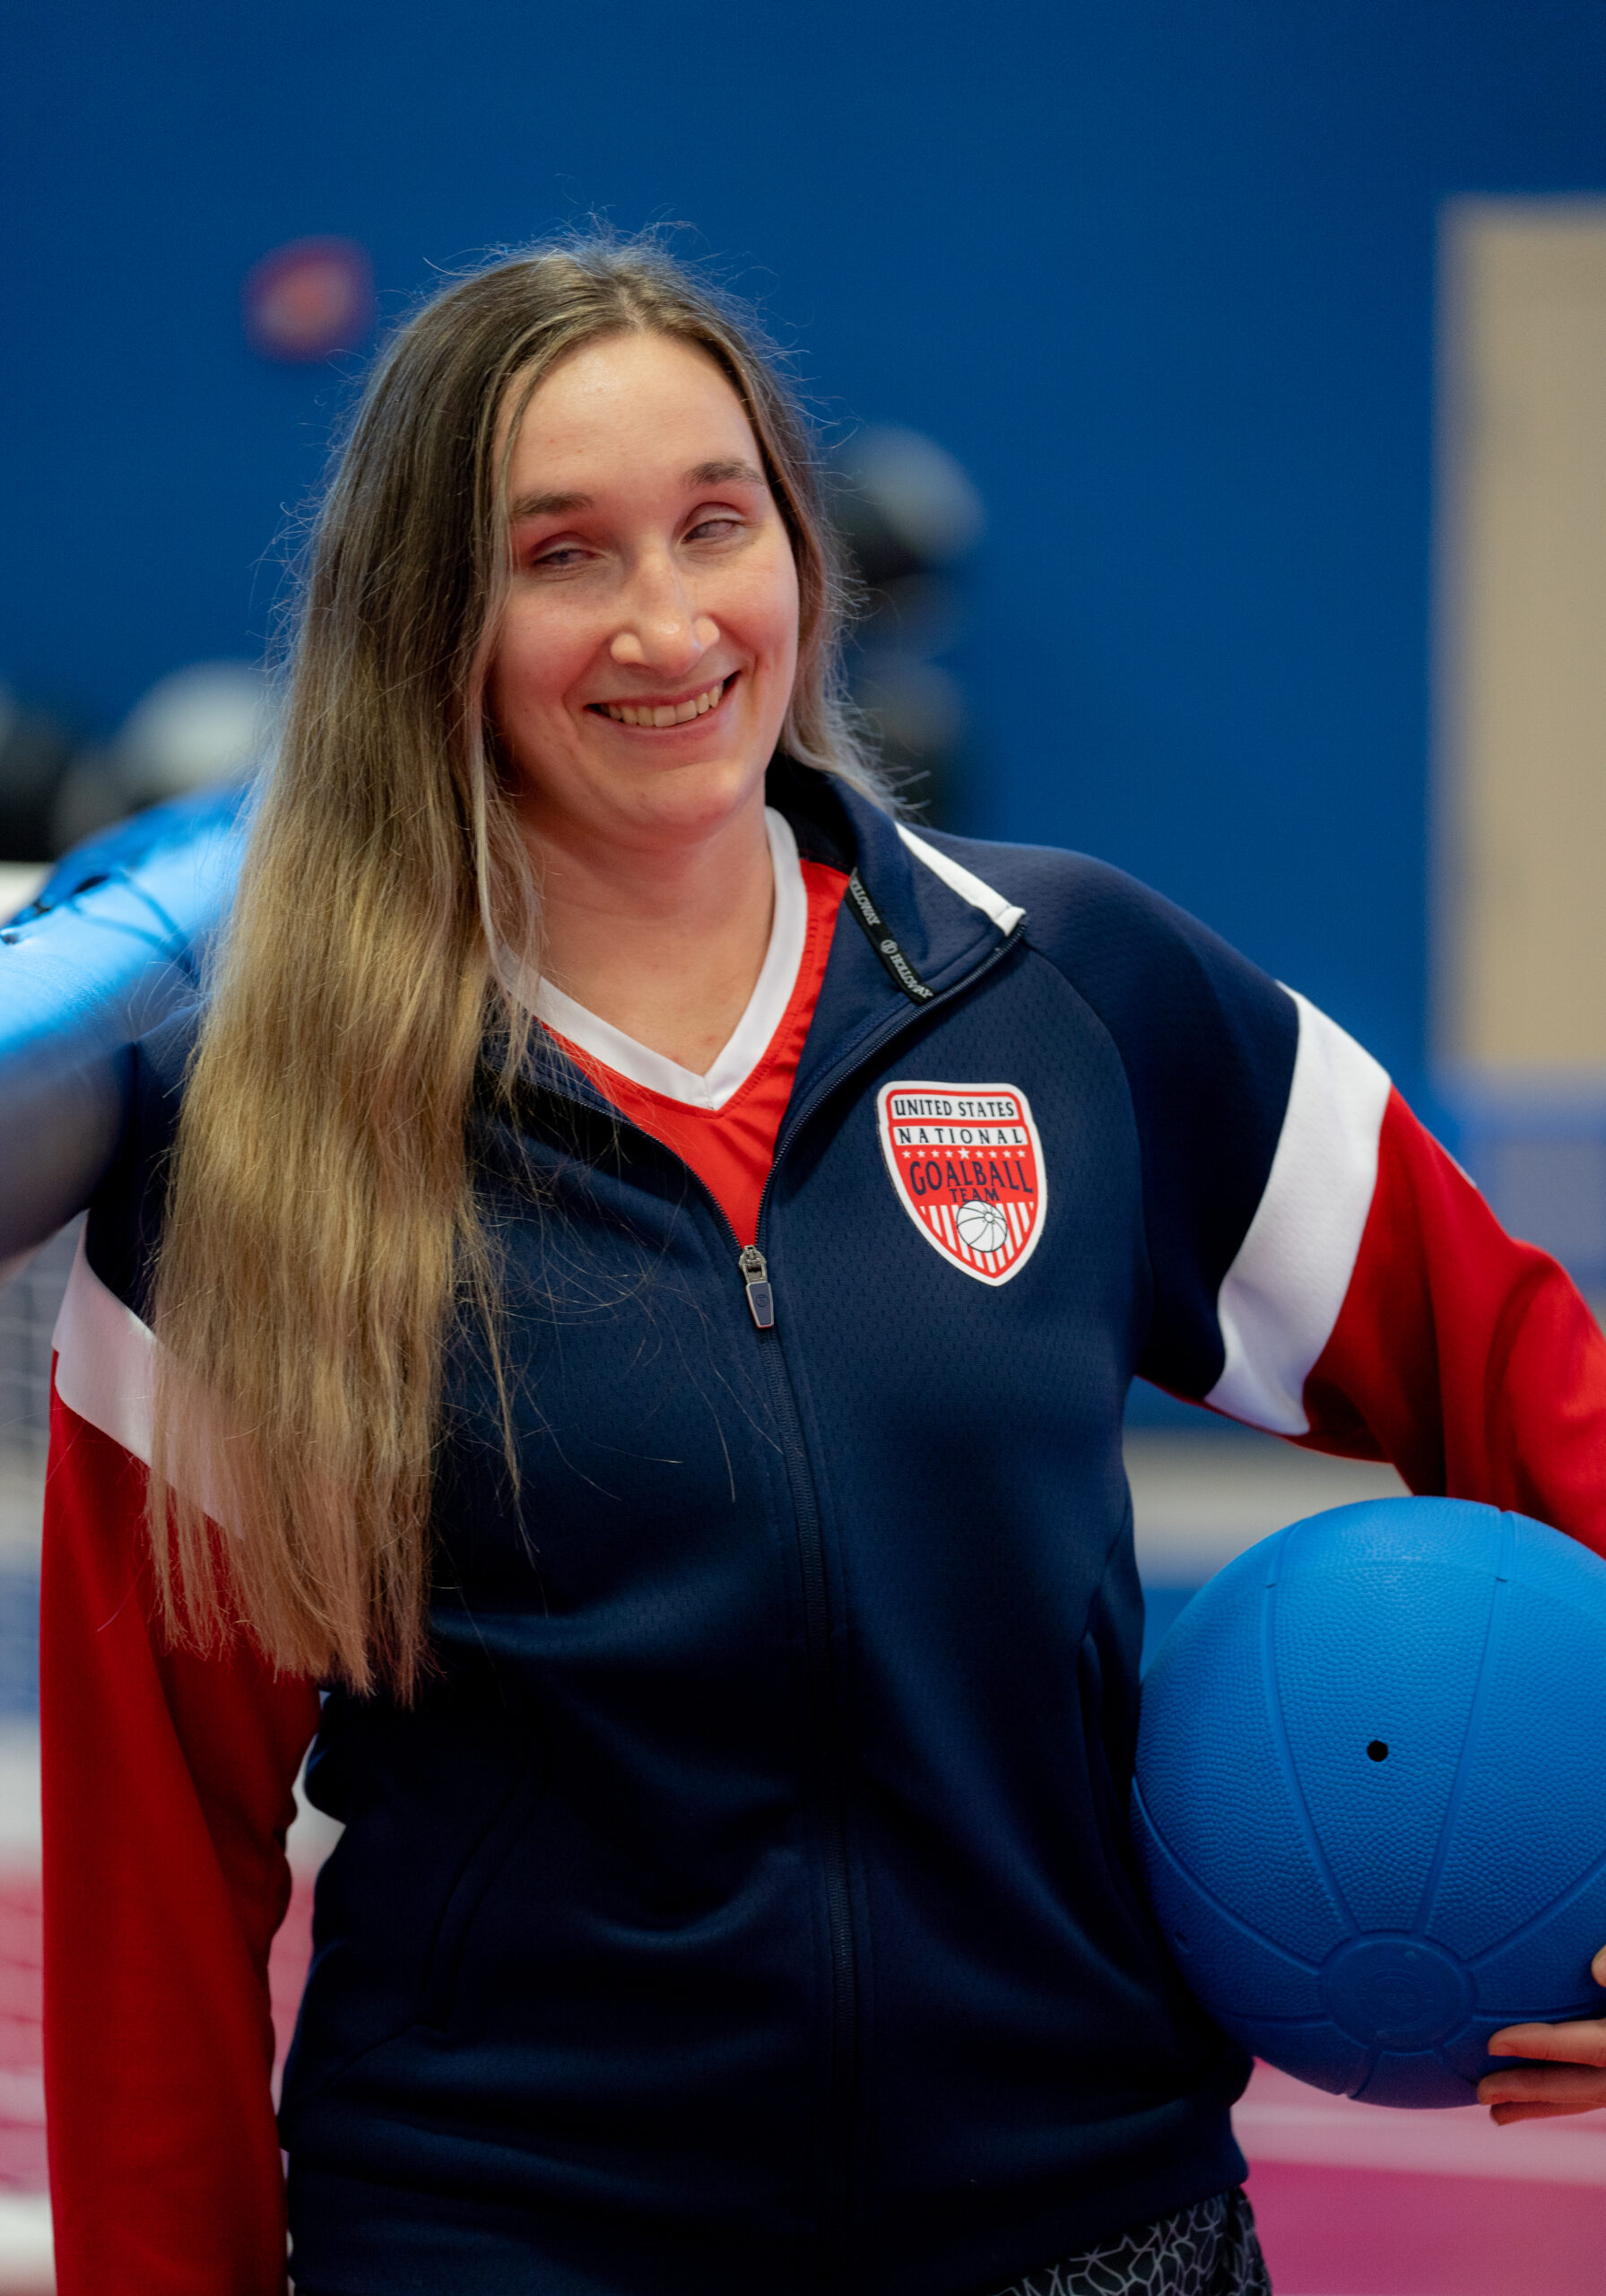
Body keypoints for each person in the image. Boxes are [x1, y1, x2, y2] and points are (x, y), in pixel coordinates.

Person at [37, 237, 1606, 2296]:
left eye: (716, 522)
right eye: (562, 553)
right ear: (429, 618)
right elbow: (156, 1855)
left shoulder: (1074, 994)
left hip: (1081, 2223)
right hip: (511, 2237)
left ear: (800, 548)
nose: (669, 620)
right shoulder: (267, 1134)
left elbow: (1518, 1368)